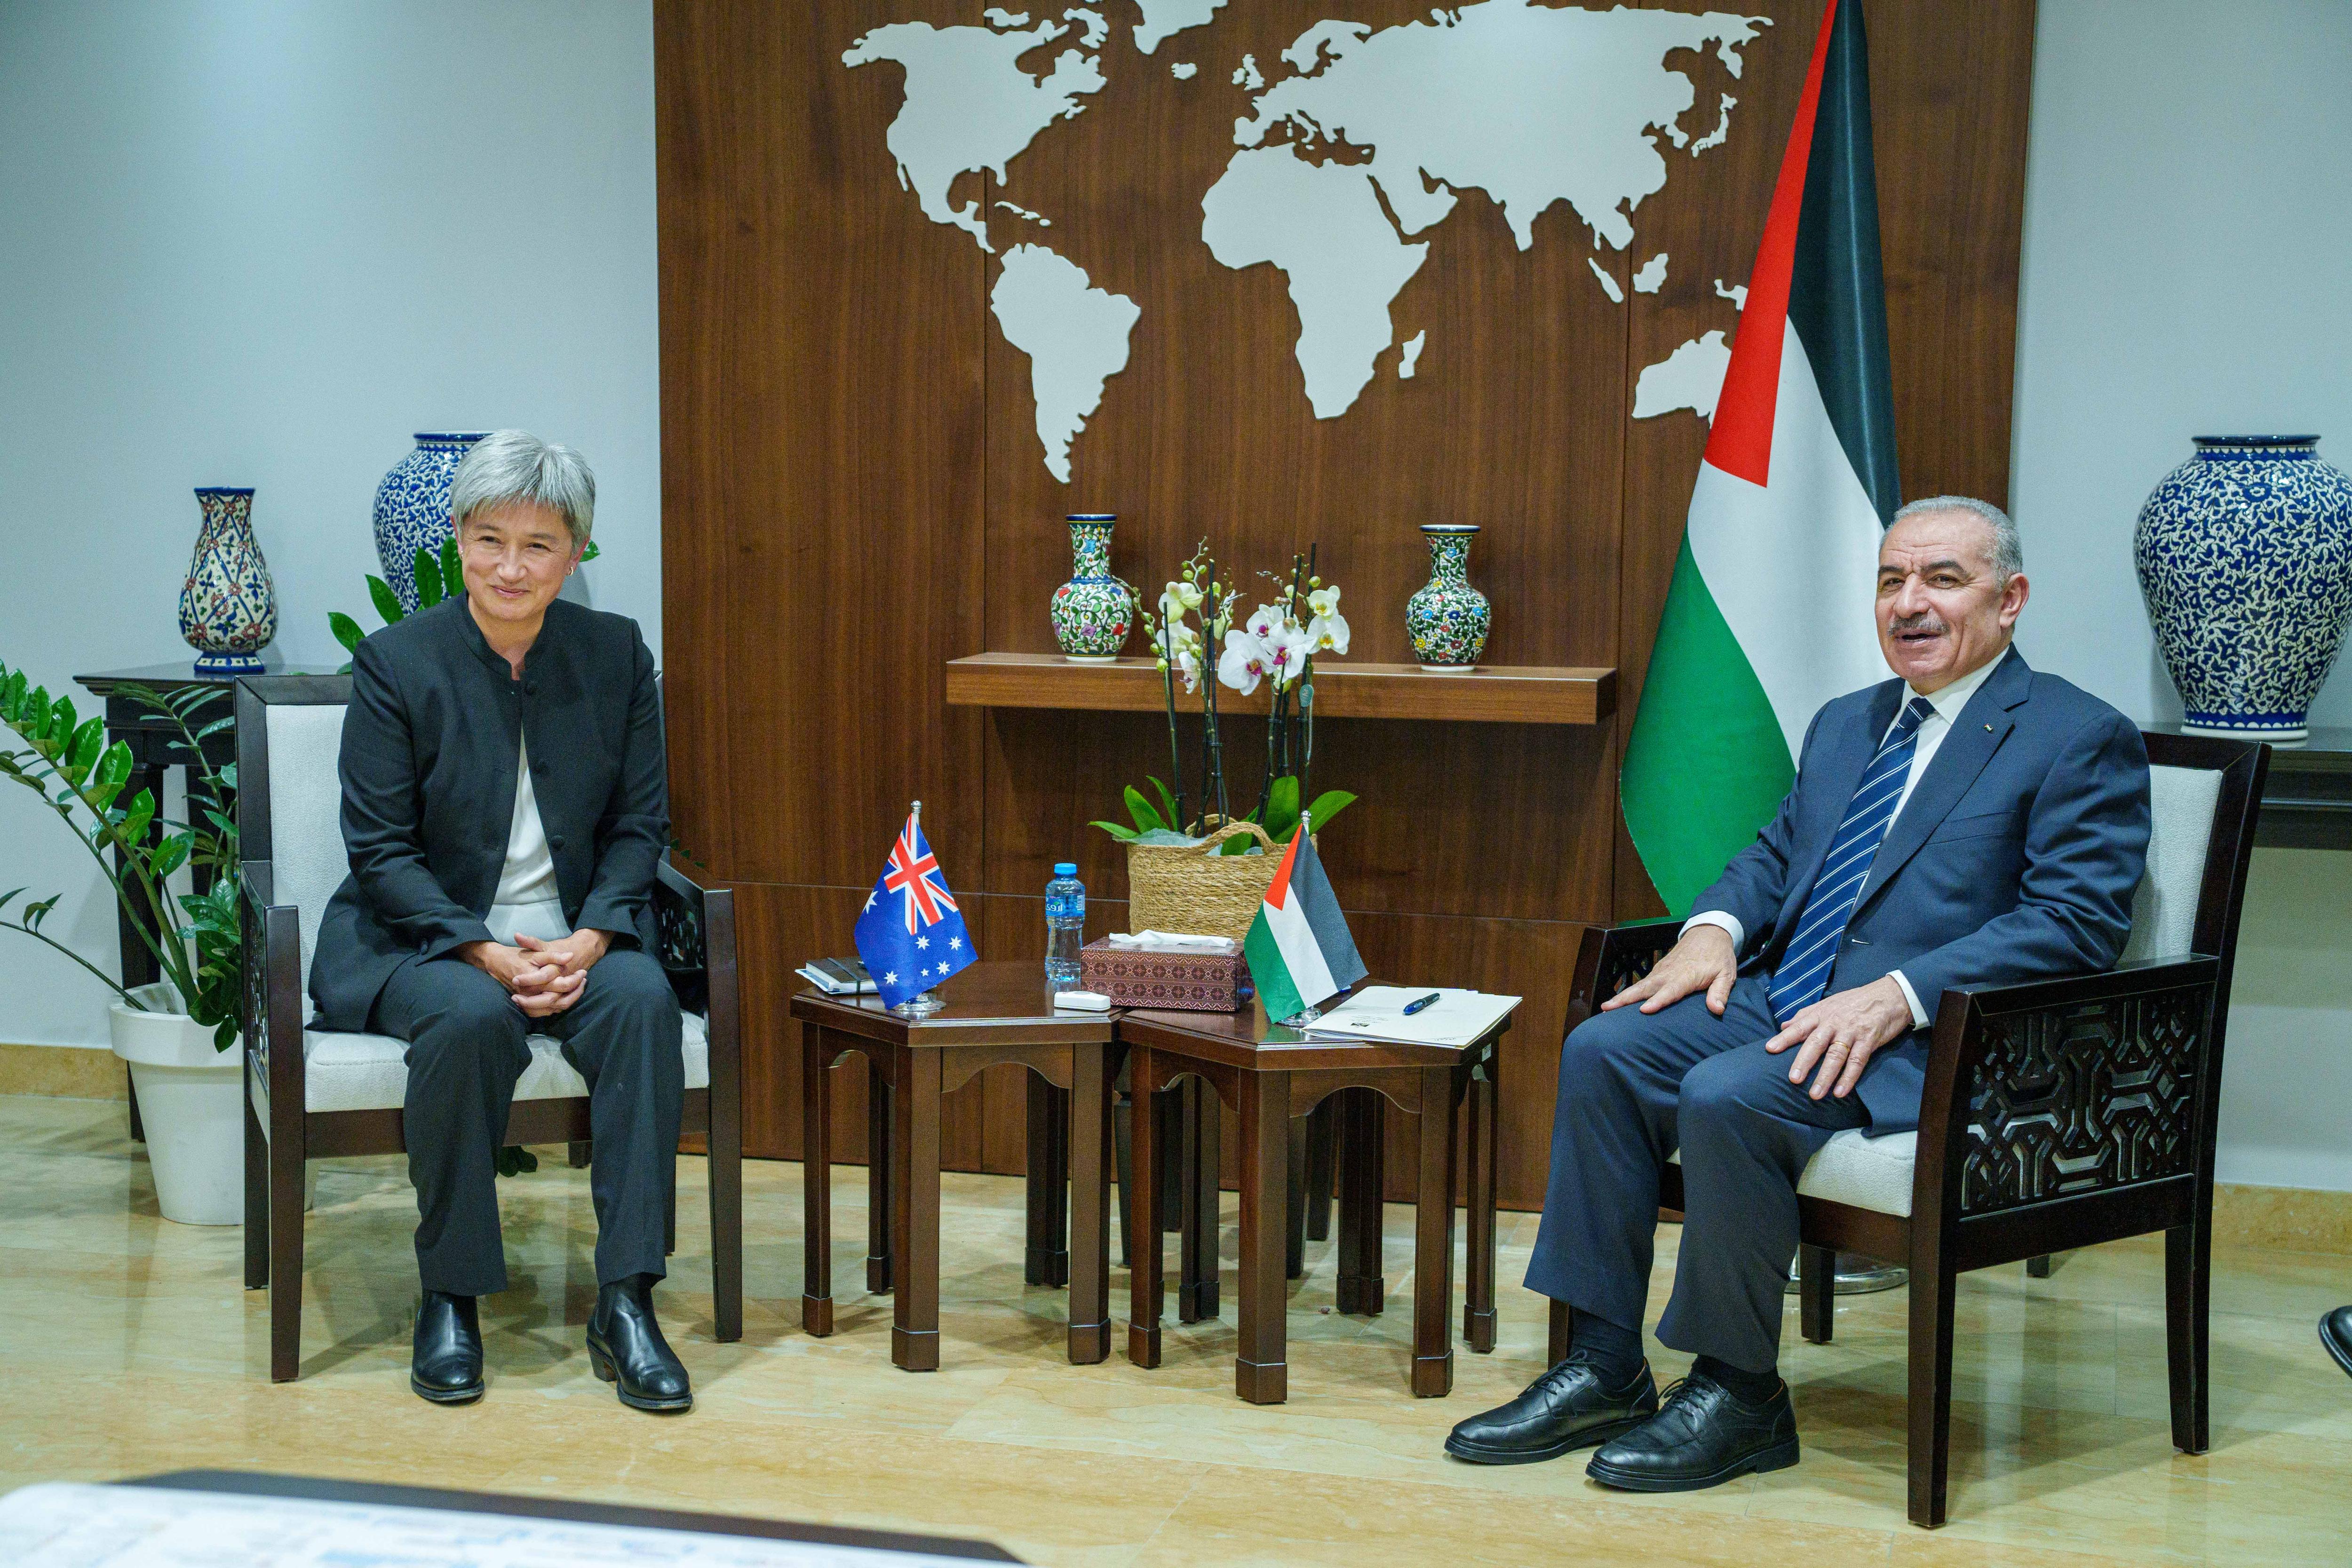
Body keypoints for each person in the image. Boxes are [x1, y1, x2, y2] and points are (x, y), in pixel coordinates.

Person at [1447, 496, 2150, 1489]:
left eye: (1942, 579)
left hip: (1940, 1040)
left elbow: (2073, 923)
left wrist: (1900, 993)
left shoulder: (2077, 735)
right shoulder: (1846, 723)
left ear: (2010, 599)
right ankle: (1601, 1364)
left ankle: (1738, 1393)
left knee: (1727, 1093)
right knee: (1604, 1052)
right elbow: (1776, 856)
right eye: (1890, 579)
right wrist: (1709, 930)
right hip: (1797, 997)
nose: (1909, 603)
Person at [310, 430, 689, 1412]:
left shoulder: (615, 653)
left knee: (643, 1001)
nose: (511, 567)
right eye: (490, 539)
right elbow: (381, 850)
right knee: (470, 1019)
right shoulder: (398, 660)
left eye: (538, 544)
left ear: (577, 553)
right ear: (458, 541)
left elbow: (641, 824)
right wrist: (482, 951)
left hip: (576, 933)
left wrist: (593, 938)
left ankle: (627, 1297)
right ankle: (452, 1291)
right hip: (426, 938)